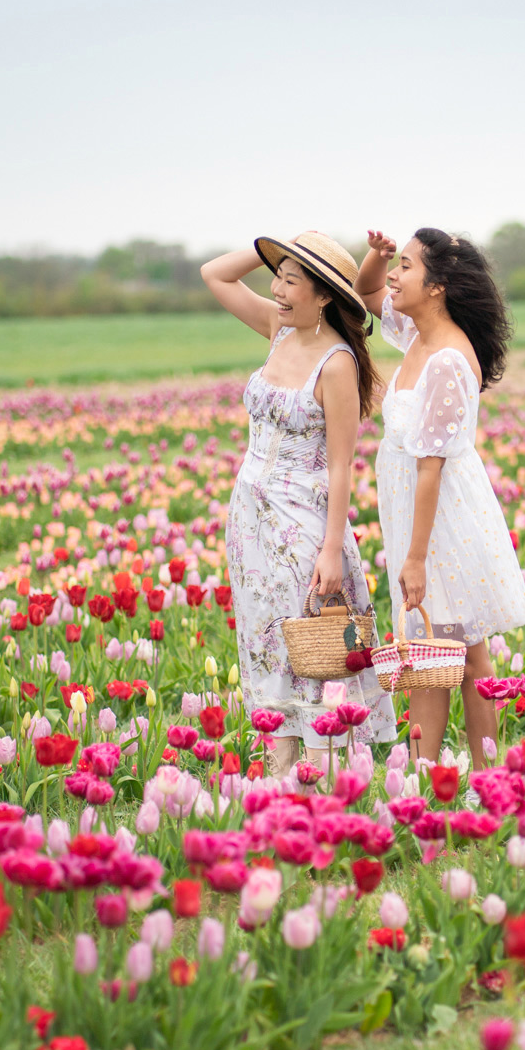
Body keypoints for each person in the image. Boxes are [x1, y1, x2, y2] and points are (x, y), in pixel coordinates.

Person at [201, 231, 395, 776]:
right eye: (277, 278)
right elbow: (214, 274)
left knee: (308, 652)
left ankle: (320, 784)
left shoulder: (336, 363)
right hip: (250, 523)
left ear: (325, 294)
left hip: (302, 524)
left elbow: (340, 465)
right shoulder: (278, 329)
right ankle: (281, 779)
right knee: (265, 645)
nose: (277, 290)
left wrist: (332, 549)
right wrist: (278, 245)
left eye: (291, 281)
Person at [354, 227, 525, 763]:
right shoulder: (416, 334)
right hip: (418, 515)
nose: (394, 275)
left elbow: (430, 468)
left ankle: (475, 779)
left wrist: (415, 558)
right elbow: (367, 293)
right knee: (435, 655)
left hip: (443, 523)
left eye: (406, 266)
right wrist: (376, 255)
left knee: (460, 659)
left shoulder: (448, 360)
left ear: (437, 287)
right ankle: (433, 779)